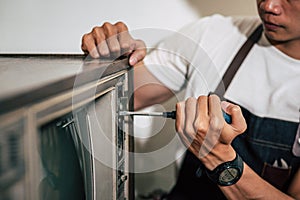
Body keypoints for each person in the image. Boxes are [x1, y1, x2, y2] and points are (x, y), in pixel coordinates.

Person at [81, 0, 300, 199]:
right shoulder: (214, 34)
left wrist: (220, 160)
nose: (269, 6)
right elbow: (114, 101)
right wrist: (111, 62)